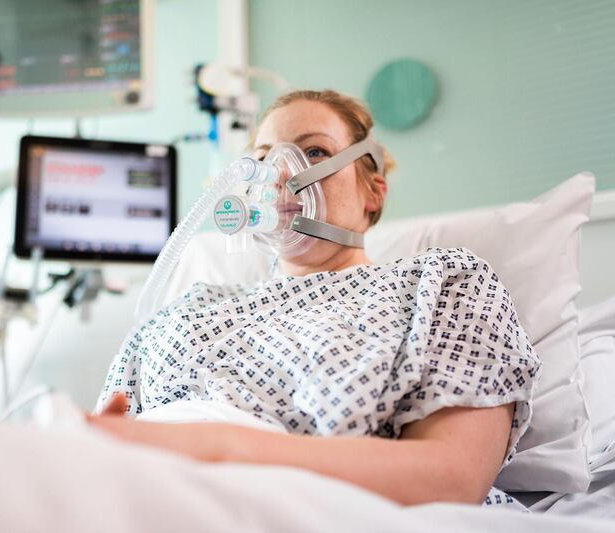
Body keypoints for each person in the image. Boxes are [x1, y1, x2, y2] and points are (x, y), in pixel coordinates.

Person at [88, 90, 541, 506]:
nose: (283, 175)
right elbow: (95, 440)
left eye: (315, 152)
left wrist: (217, 447)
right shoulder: (187, 307)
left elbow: (452, 479)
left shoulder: (440, 285)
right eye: (264, 159)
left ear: (372, 193)